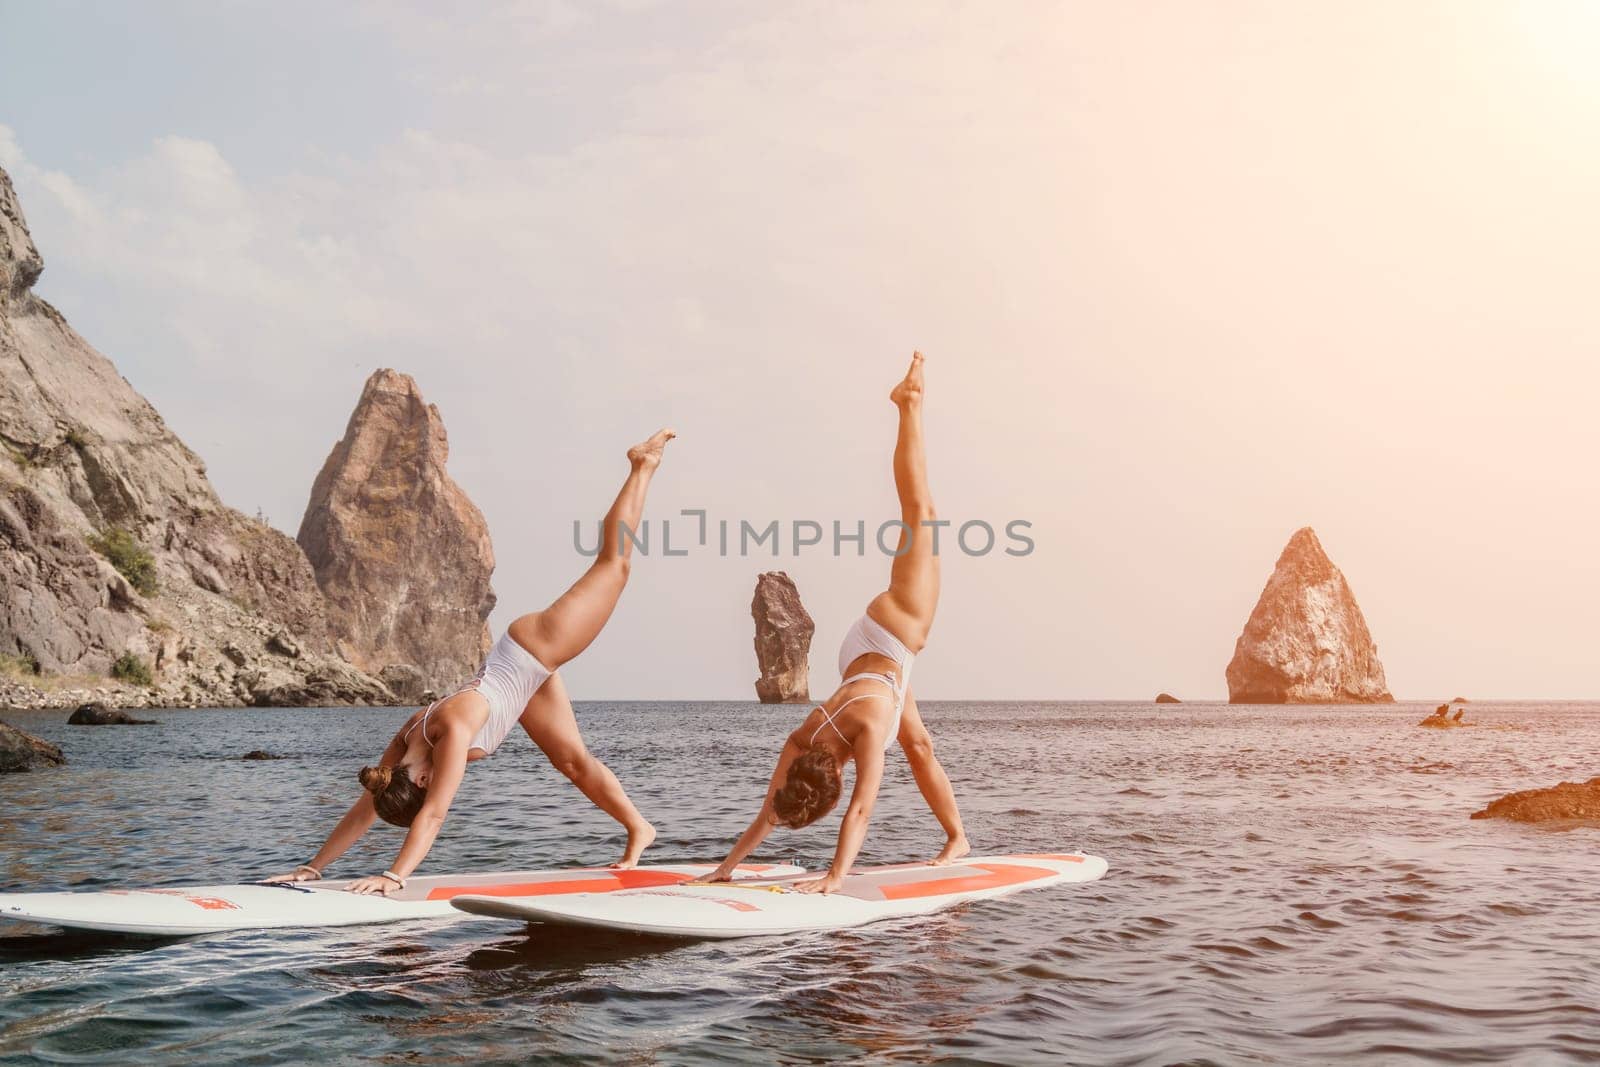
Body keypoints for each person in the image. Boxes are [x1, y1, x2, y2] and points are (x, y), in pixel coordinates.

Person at [265, 429, 676, 895]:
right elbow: (366, 807)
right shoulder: (405, 745)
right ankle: (640, 827)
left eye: (424, 787)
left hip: (538, 646)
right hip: (528, 679)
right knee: (574, 763)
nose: (431, 785)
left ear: (420, 779)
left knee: (614, 565)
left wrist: (394, 876)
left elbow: (436, 812)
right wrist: (312, 868)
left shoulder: (451, 734)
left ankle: (642, 465)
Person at [699, 353, 968, 895]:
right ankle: (956, 837)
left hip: (893, 639)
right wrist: (724, 869)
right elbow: (771, 813)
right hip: (859, 654)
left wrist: (835, 877)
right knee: (918, 747)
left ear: (836, 779)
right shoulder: (800, 742)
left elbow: (862, 810)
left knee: (920, 512)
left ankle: (909, 405)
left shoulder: (864, 735)